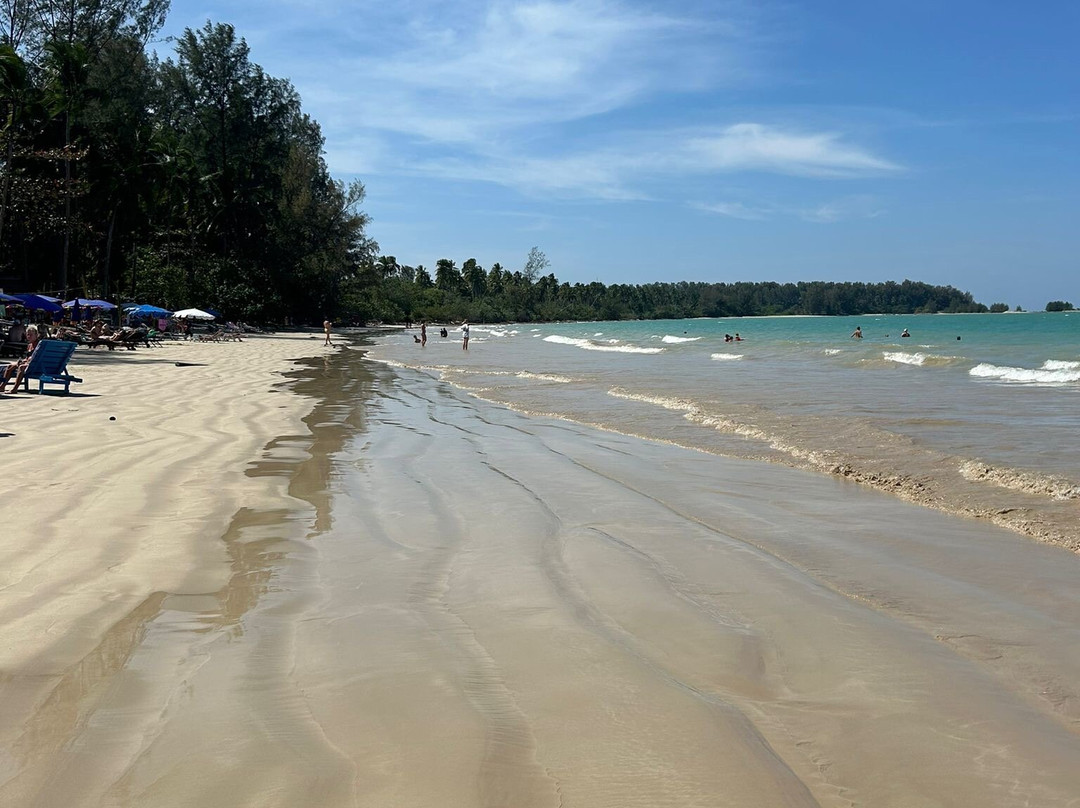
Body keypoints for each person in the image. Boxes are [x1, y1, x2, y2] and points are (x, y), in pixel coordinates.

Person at [0, 324, 40, 392]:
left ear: (37, 335)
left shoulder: (39, 345)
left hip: (35, 365)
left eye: (31, 335)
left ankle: (15, 388)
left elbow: (36, 357)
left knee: (21, 367)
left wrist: (26, 361)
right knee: (10, 366)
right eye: (28, 335)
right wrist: (23, 360)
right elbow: (28, 357)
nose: (29, 336)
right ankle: (2, 386)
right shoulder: (30, 345)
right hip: (28, 363)